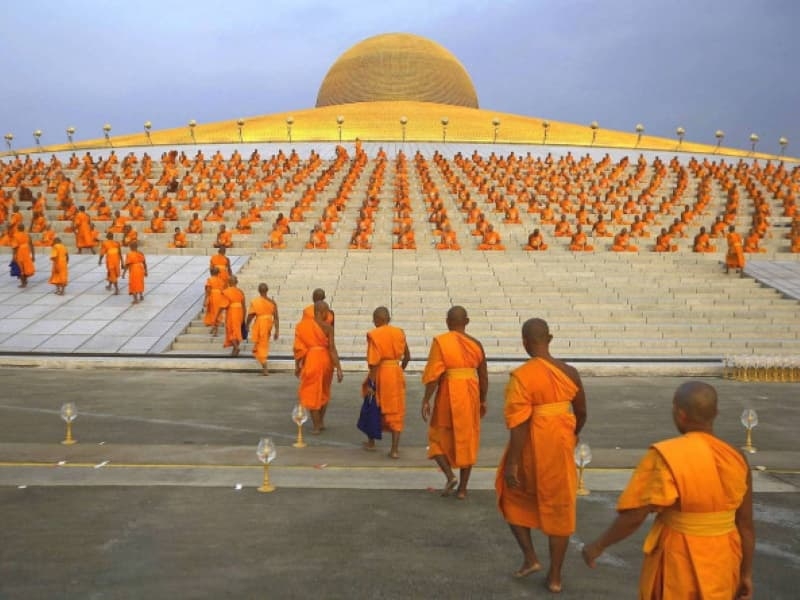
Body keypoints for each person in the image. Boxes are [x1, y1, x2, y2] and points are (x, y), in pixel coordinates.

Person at [582, 381, 754, 600]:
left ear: (680, 414)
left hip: (680, 557)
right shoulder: (736, 458)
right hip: (724, 558)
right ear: (715, 413)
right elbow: (745, 524)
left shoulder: (666, 456)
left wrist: (598, 546)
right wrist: (746, 573)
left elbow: (635, 515)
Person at [495, 318, 587, 593]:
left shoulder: (523, 376)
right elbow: (582, 413)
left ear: (525, 342)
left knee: (510, 496)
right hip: (559, 448)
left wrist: (512, 463)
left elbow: (519, 424)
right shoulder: (570, 372)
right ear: (550, 338)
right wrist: (571, 435)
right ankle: (555, 577)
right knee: (559, 507)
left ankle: (530, 557)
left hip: (529, 448)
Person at [421, 306, 488, 499]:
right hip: (470, 394)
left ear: (447, 322)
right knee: (468, 438)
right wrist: (482, 399)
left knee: (436, 437)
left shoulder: (442, 342)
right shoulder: (476, 344)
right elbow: (483, 377)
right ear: (466, 322)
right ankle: (463, 490)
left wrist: (426, 399)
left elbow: (434, 376)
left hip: (448, 394)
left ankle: (450, 475)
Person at [363, 307, 411, 458]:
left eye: (374, 319)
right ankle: (394, 450)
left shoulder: (375, 335)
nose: (373, 322)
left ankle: (371, 442)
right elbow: (407, 356)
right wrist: (399, 369)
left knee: (372, 405)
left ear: (378, 320)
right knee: (396, 410)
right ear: (388, 319)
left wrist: (371, 383)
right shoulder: (399, 333)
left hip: (381, 372)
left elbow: (373, 362)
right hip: (395, 373)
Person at [293, 301, 343, 434]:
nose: (328, 315)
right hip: (326, 360)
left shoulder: (302, 326)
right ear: (321, 312)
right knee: (324, 391)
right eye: (326, 312)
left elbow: (298, 348)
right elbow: (332, 349)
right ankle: (320, 421)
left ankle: (316, 426)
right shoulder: (328, 328)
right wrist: (339, 368)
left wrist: (297, 366)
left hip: (312, 360)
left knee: (312, 392)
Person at [245, 282, 279, 375]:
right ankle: (264, 366)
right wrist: (277, 331)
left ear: (258, 290)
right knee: (262, 343)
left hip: (261, 323)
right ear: (267, 290)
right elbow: (276, 318)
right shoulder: (272, 302)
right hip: (268, 324)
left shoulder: (256, 301)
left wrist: (247, 325)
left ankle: (265, 368)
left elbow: (251, 315)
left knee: (262, 345)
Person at [221, 276, 246, 357]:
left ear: (228, 283)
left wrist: (217, 315)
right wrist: (244, 316)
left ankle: (236, 347)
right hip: (240, 311)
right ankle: (234, 350)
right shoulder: (241, 291)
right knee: (237, 330)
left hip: (232, 311)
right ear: (236, 282)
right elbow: (244, 306)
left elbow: (224, 305)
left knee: (231, 330)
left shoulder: (226, 291)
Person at [11, 224, 35, 288]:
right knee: (26, 267)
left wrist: (13, 256)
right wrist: (33, 255)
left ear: (18, 229)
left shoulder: (15, 235)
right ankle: (25, 280)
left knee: (20, 268)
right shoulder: (27, 235)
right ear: (24, 228)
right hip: (26, 252)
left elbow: (15, 247)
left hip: (20, 252)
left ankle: (23, 283)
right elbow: (31, 245)